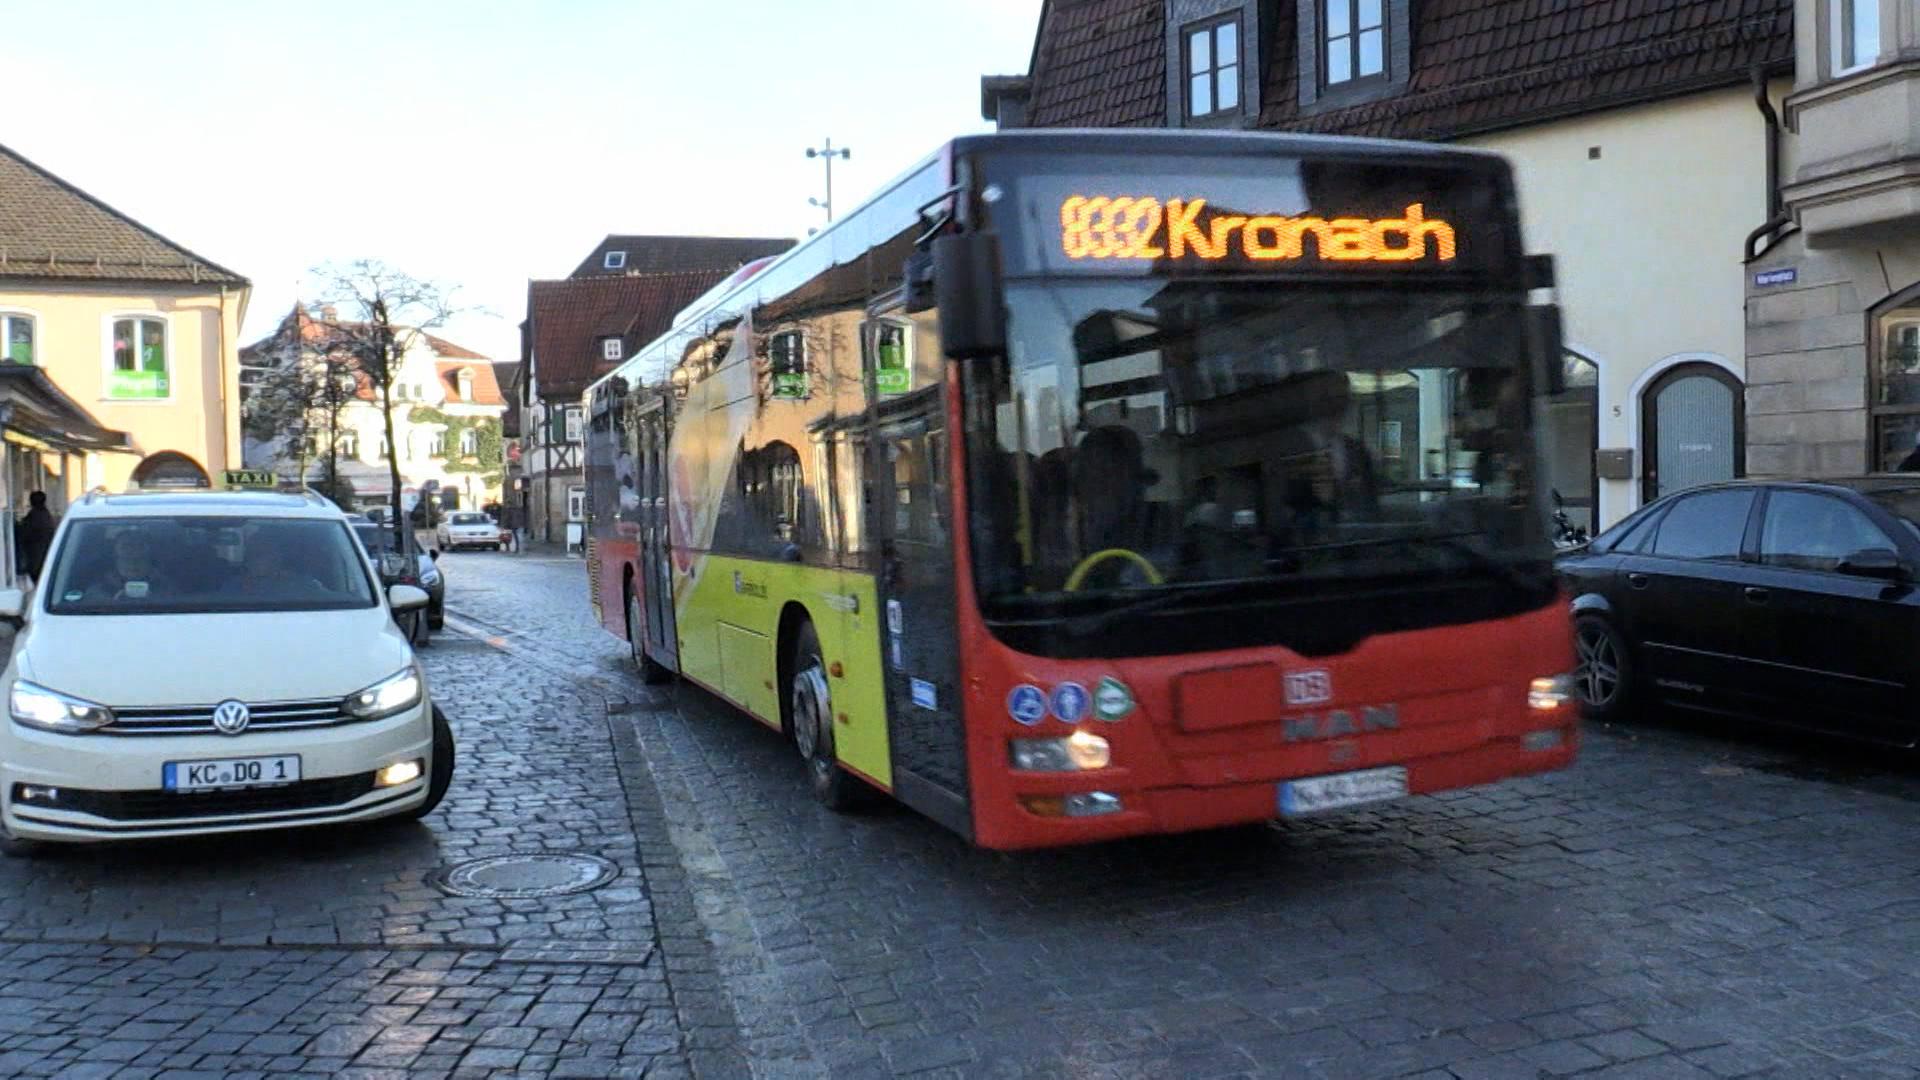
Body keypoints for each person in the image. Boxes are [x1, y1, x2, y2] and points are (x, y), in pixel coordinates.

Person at [14, 491, 54, 585]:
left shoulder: (35, 516)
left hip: (37, 558)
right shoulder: (45, 515)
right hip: (42, 557)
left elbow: (25, 533)